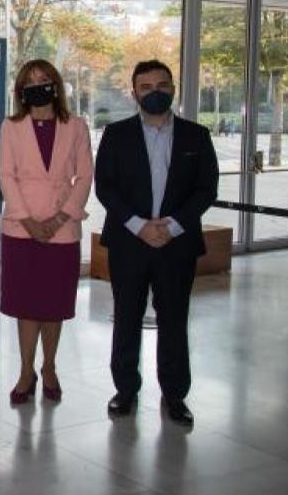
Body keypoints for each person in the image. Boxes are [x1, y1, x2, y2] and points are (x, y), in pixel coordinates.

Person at [95, 59, 218, 426]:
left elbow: (206, 189)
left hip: (176, 244)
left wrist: (173, 226)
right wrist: (139, 226)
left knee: (175, 319)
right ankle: (125, 390)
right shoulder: (116, 135)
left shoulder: (197, 136)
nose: (154, 92)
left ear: (173, 89)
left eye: (162, 85)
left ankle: (175, 395)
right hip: (129, 242)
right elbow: (106, 187)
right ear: (134, 93)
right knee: (127, 318)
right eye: (146, 87)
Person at [0, 59, 93, 403]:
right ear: (21, 90)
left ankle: (49, 366)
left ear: (56, 84)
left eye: (44, 79)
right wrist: (27, 220)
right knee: (27, 304)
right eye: (30, 80)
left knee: (54, 304)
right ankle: (26, 370)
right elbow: (5, 175)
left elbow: (84, 176)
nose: (38, 85)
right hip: (20, 229)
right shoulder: (11, 126)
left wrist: (57, 219)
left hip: (63, 228)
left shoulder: (77, 126)